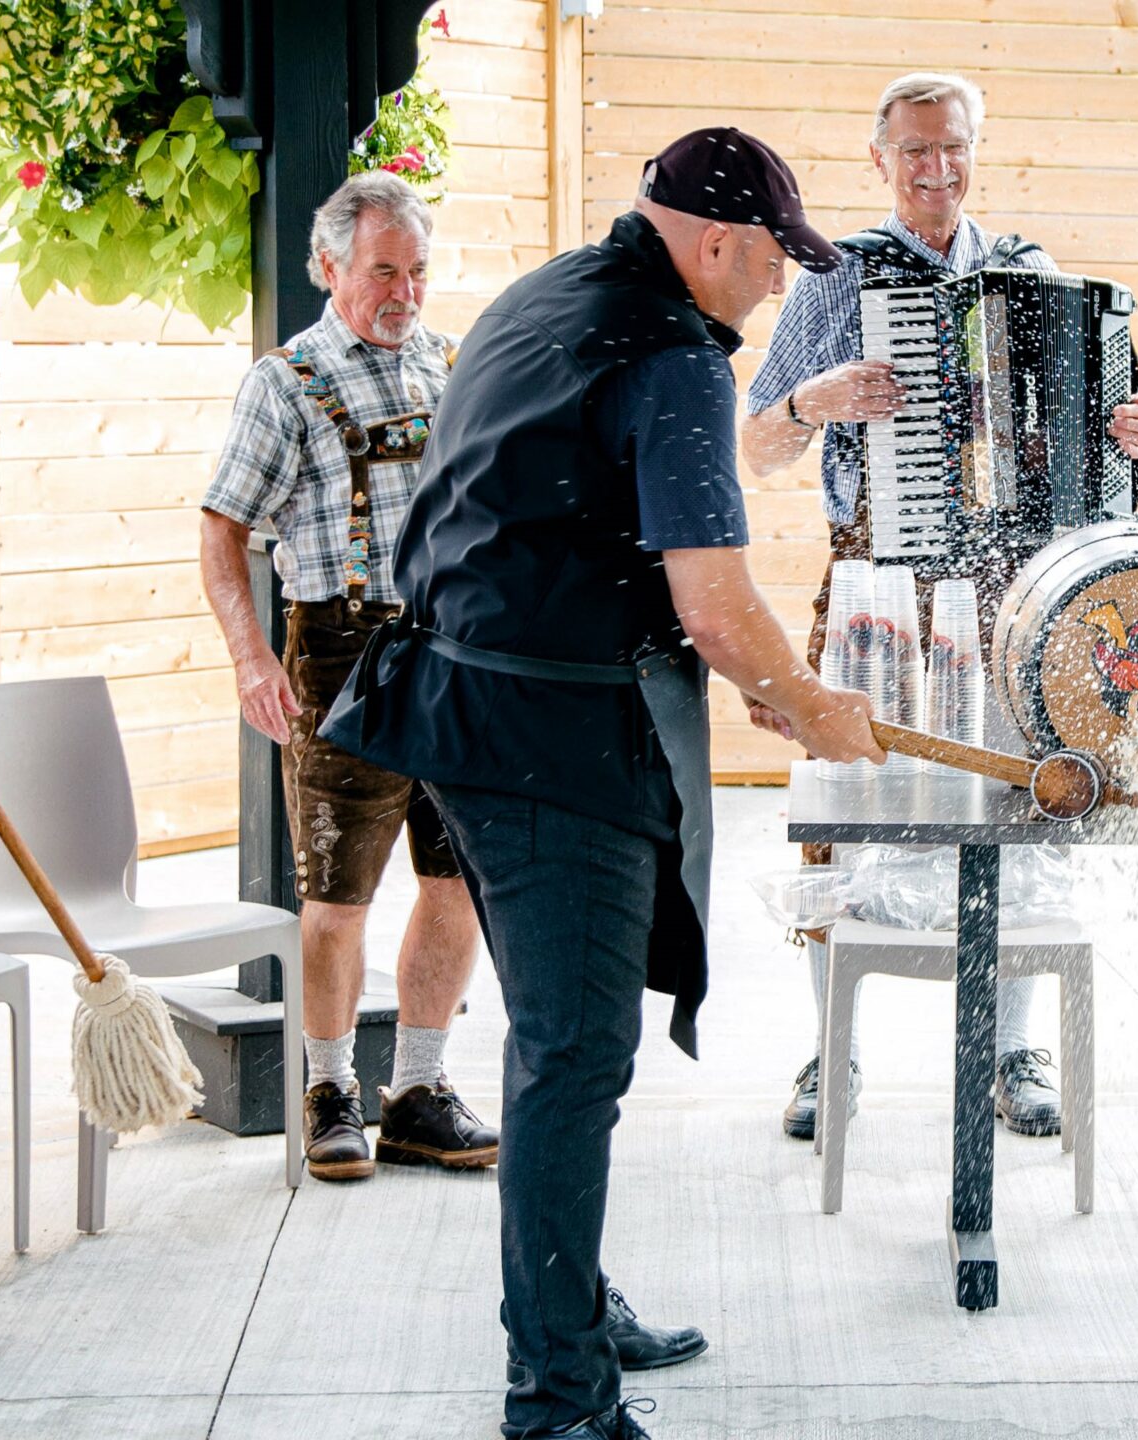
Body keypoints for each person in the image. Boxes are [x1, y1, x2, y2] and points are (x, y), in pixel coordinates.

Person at [321, 127, 882, 1440]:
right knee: (576, 1059)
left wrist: (724, 658)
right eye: (774, 264)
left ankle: (567, 1306)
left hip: (461, 708)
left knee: (553, 1046)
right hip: (547, 749)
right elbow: (711, 590)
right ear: (717, 241)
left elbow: (556, 511)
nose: (775, 293)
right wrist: (806, 701)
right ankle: (559, 1398)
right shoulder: (676, 359)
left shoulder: (550, 291)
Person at [740, 71, 1138, 1142]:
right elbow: (756, 443)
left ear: (977, 151)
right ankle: (831, 1052)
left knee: (1027, 803)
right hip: (878, 584)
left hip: (1014, 593)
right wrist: (812, 400)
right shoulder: (836, 277)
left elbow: (1102, 438)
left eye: (953, 147)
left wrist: (1128, 437)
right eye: (914, 150)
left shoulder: (1036, 274)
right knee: (840, 817)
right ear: (879, 162)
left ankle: (1010, 1047)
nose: (936, 168)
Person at [198, 172, 496, 1185]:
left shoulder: (454, 366)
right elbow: (221, 527)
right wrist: (248, 656)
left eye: (416, 270)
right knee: (335, 896)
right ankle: (329, 1092)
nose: (403, 291)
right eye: (382, 270)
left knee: (456, 878)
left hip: (454, 655)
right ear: (328, 267)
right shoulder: (284, 383)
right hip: (338, 655)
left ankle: (417, 1090)